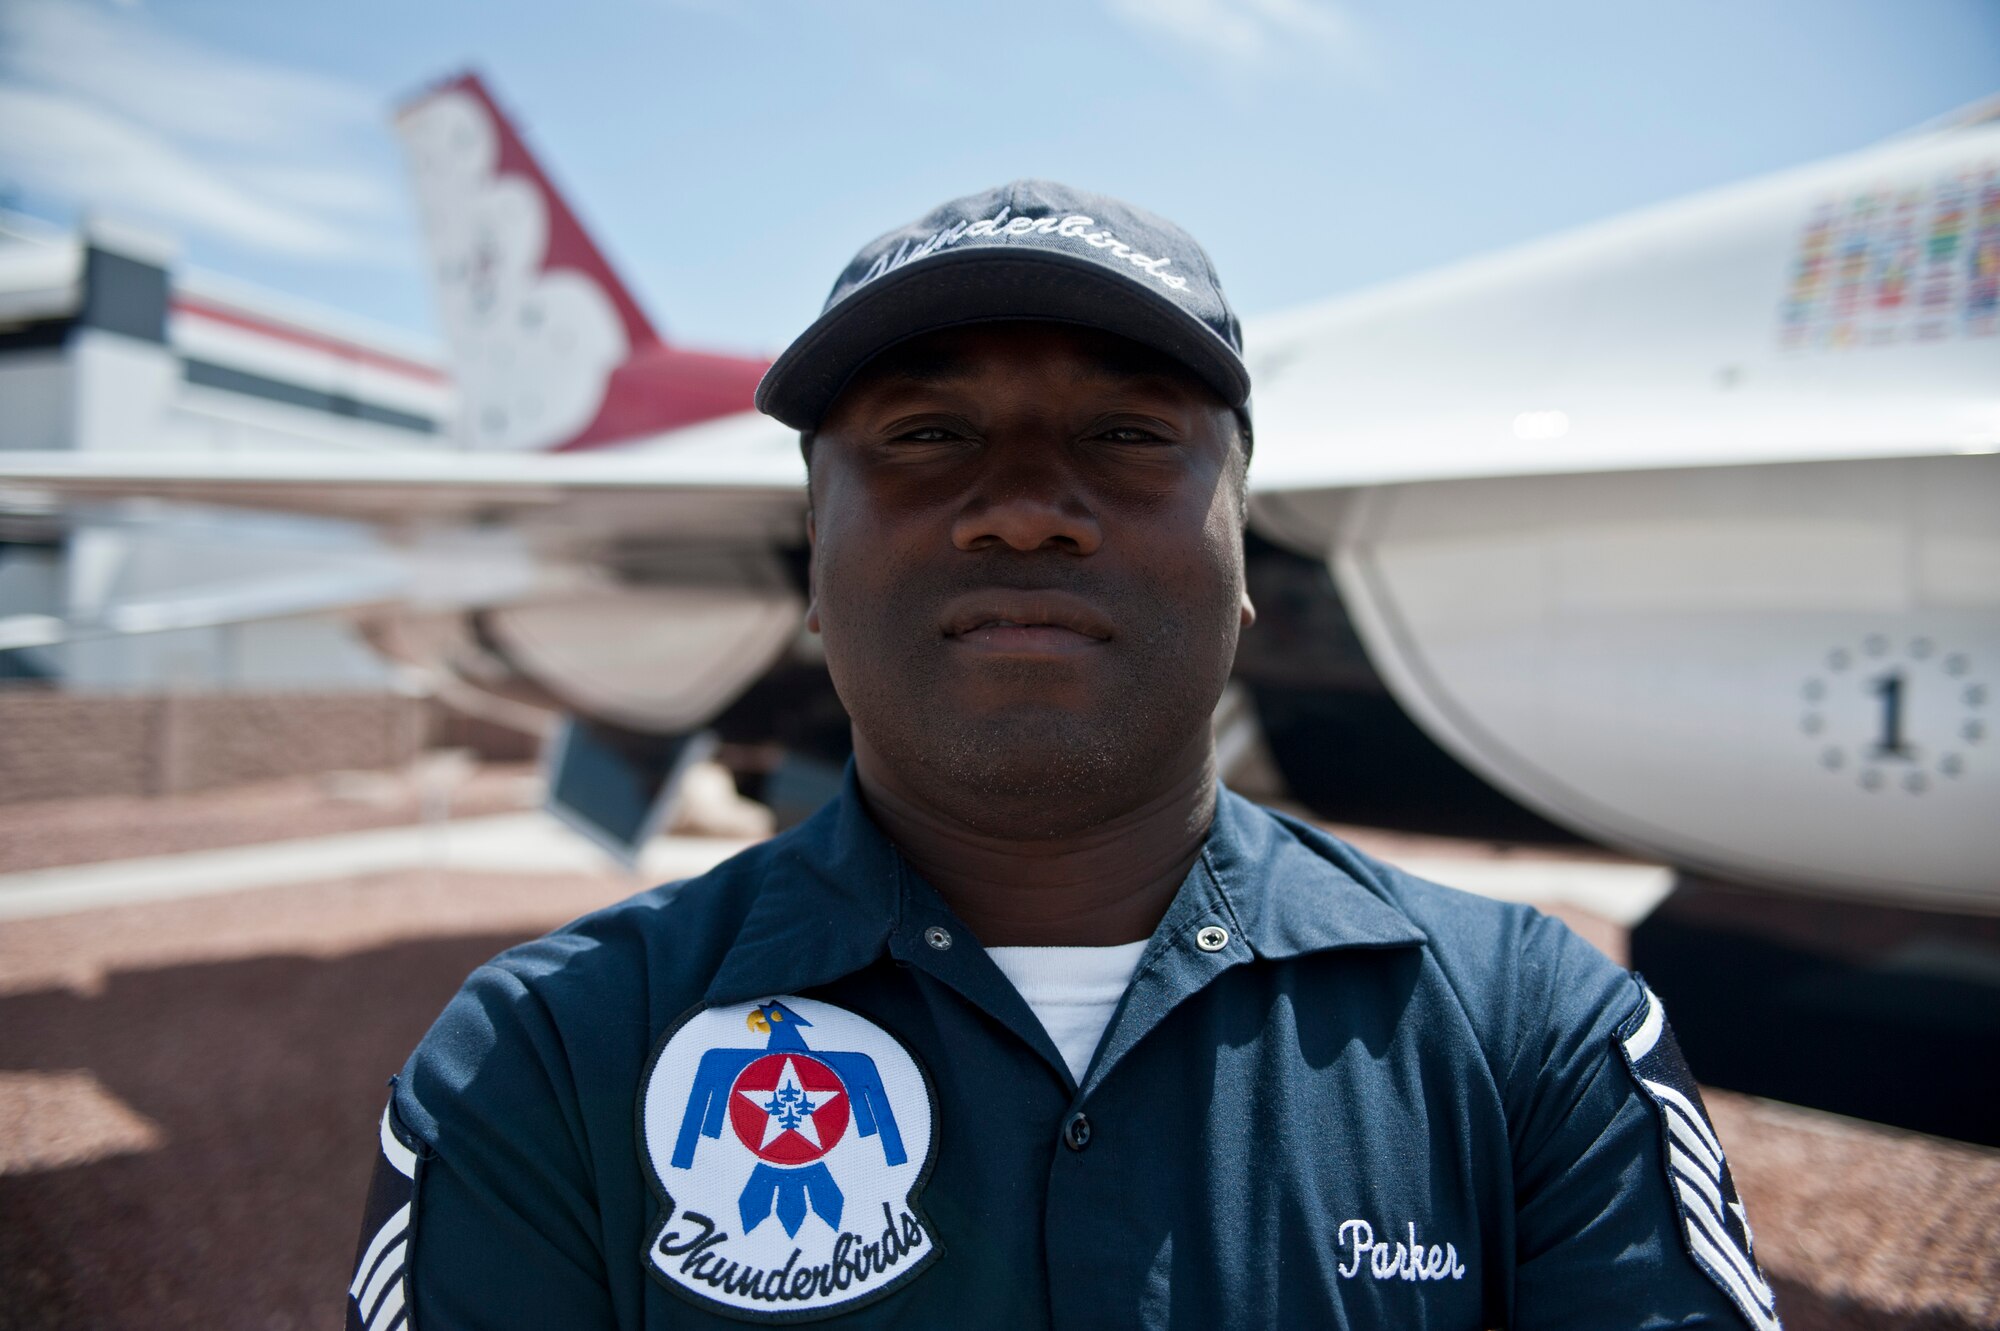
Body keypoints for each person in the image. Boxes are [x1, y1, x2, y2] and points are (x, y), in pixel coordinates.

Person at [346, 181, 1780, 1330]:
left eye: (1126, 431)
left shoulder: (1536, 1048)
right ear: (812, 554)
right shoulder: (538, 1061)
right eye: (925, 432)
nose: (1026, 508)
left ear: (1241, 554)